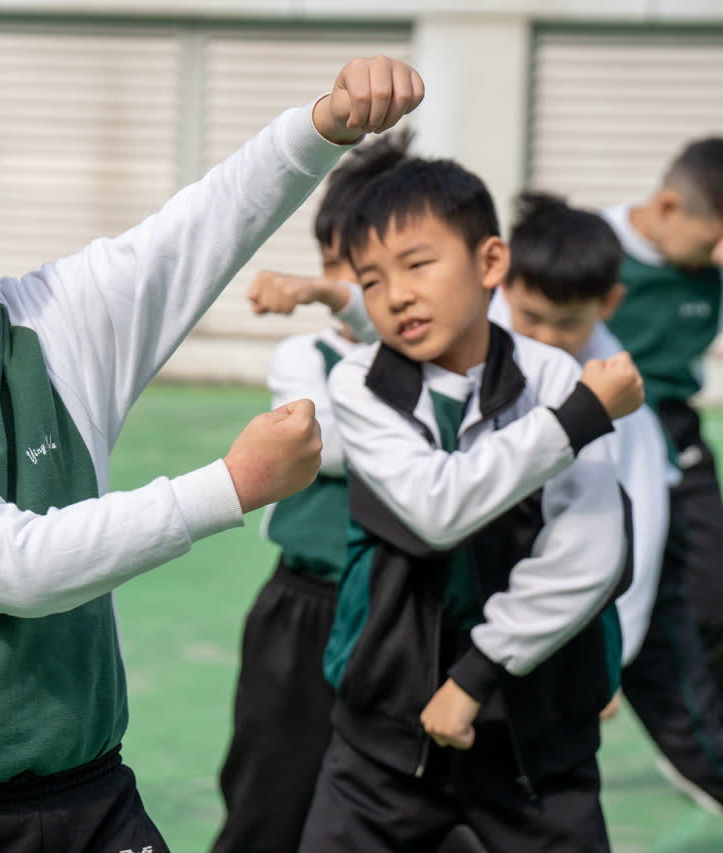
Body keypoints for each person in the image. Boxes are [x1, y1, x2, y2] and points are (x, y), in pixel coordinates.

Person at [0, 58, 423, 852]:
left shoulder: (58, 322)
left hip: (89, 794)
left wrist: (323, 127)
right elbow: (11, 564)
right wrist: (232, 485)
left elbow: (204, 225)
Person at [298, 156, 643, 853]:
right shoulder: (361, 384)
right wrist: (575, 422)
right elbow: (439, 508)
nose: (395, 295)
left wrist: (478, 673)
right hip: (385, 726)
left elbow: (589, 551)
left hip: (536, 722)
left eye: (417, 264)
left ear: (490, 262)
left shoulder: (553, 377)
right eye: (371, 279)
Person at [496, 191, 723, 815]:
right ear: (501, 281)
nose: (546, 336)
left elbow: (636, 539)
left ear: (609, 305)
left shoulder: (626, 415)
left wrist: (611, 656)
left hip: (564, 609)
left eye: (567, 323)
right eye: (531, 315)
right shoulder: (467, 349)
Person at [211, 132, 406, 853]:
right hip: (307, 606)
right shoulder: (303, 355)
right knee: (271, 789)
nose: (337, 283)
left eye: (366, 269)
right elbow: (328, 447)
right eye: (331, 264)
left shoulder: (449, 363)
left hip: (403, 608)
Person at [599, 139, 723, 697]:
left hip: (674, 429)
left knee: (711, 591)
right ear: (669, 207)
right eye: (712, 240)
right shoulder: (594, 246)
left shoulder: (709, 266)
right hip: (597, 426)